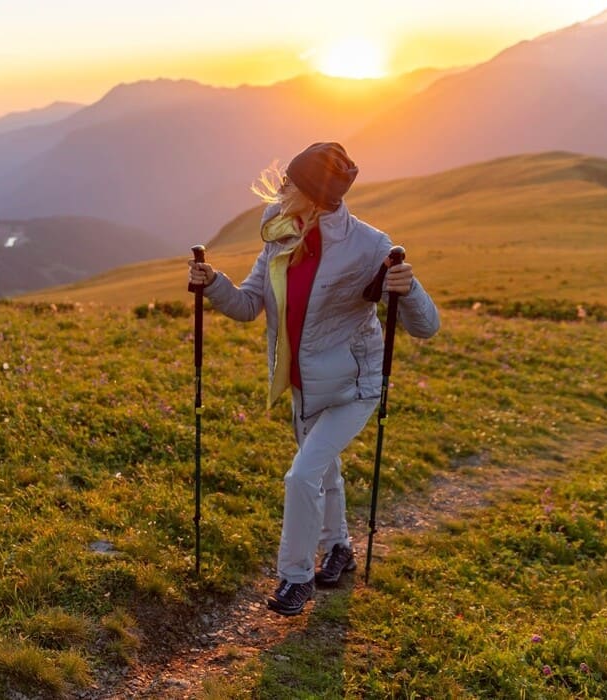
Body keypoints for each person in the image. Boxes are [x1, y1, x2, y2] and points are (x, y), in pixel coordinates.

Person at [187, 142, 440, 616]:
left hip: (354, 386)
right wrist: (213, 282)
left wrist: (411, 287)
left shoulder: (370, 246)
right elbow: (247, 306)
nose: (280, 187)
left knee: (302, 475)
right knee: (324, 470)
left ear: (313, 194)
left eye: (290, 183)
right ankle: (339, 549)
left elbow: (426, 327)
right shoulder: (280, 231)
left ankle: (295, 578)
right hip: (303, 384)